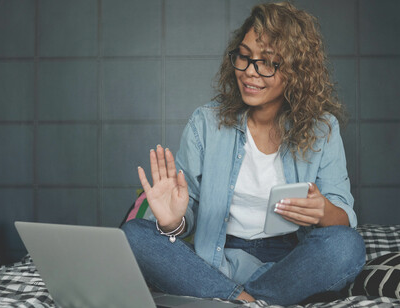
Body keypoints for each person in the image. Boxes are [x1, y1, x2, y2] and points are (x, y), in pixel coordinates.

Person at [122, 2, 366, 305]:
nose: (250, 72)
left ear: (296, 71)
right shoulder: (205, 123)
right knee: (133, 235)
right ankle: (248, 299)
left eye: (267, 63)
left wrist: (323, 211)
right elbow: (187, 213)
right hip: (214, 259)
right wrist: (173, 223)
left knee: (347, 246)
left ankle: (234, 299)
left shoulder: (322, 129)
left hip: (289, 264)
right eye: (245, 57)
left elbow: (344, 217)